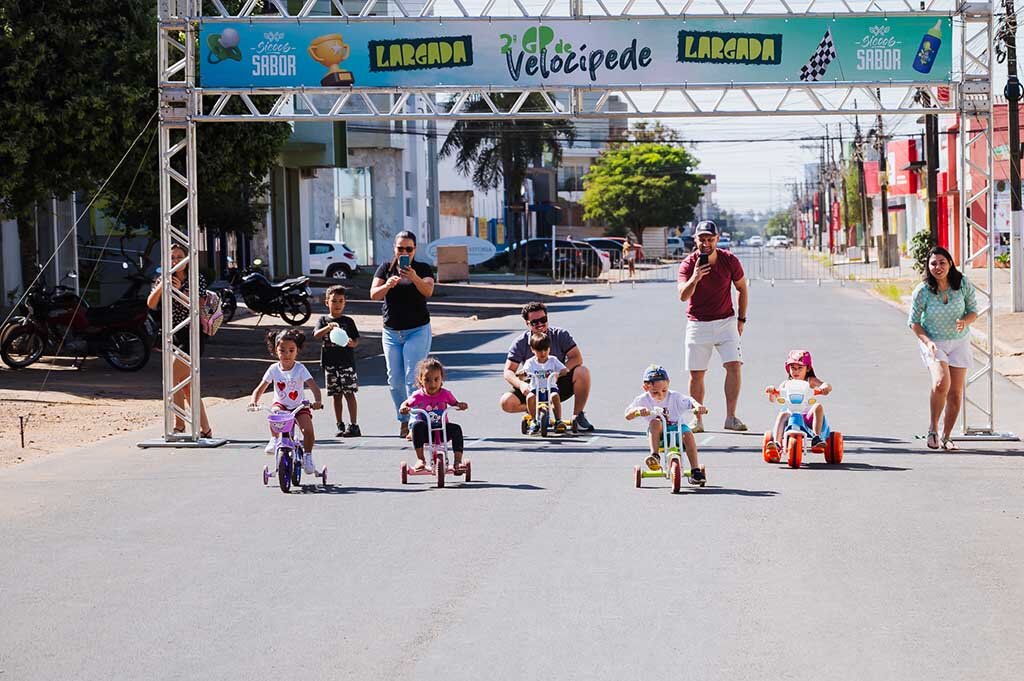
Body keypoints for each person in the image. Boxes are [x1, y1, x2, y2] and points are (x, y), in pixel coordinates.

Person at [677, 219, 748, 433]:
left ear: (717, 239)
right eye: (702, 239)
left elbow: (742, 289)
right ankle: (697, 419)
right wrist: (695, 278)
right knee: (697, 374)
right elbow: (682, 295)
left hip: (726, 321)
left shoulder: (729, 260)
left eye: (710, 239)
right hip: (698, 323)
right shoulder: (688, 264)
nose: (706, 243)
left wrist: (741, 320)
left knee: (734, 366)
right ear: (695, 240)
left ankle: (731, 417)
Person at [908, 246, 978, 451]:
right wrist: (927, 342)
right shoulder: (922, 291)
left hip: (959, 341)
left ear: (949, 264)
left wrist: (965, 321)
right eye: (933, 264)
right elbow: (913, 322)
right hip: (934, 342)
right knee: (941, 383)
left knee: (955, 393)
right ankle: (933, 428)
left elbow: (973, 310)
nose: (938, 267)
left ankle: (946, 436)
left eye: (942, 263)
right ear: (928, 267)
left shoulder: (962, 283)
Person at [370, 231, 435, 438]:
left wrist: (414, 277)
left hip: (417, 330)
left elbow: (428, 291)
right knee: (394, 379)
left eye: (409, 249)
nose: (404, 252)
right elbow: (373, 294)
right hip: (391, 332)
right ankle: (404, 419)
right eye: (400, 249)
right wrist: (387, 285)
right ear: (394, 249)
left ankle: (416, 421)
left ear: (415, 249)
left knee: (411, 377)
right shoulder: (385, 268)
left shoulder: (423, 268)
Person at [146, 243, 212, 437]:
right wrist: (163, 286)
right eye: (171, 257)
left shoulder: (196, 278)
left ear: (187, 259)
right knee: (186, 386)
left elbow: (198, 306)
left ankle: (179, 425)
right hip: (172, 334)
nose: (175, 261)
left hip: (191, 334)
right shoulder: (163, 278)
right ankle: (205, 429)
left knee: (173, 378)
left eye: (179, 257)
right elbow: (151, 304)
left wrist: (180, 291)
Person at [500, 301, 595, 432]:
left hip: (556, 382)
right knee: (506, 402)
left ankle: (577, 416)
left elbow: (576, 358)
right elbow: (508, 371)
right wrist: (521, 385)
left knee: (582, 372)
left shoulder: (560, 335)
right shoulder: (520, 343)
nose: (540, 324)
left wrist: (559, 372)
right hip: (533, 384)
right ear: (527, 324)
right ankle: (534, 411)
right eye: (534, 322)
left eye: (543, 319)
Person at [249, 329, 324, 472]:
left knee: (307, 430)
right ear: (275, 350)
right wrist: (254, 401)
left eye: (291, 350)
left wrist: (317, 401)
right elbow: (260, 388)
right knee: (275, 413)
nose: (287, 354)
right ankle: (274, 439)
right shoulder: (273, 369)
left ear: (297, 351)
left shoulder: (300, 369)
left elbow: (314, 387)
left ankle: (307, 456)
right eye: (282, 350)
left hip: (299, 406)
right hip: (281, 405)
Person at [624, 365, 707, 483]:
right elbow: (627, 414)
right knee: (655, 422)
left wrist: (698, 406)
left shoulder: (675, 397)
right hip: (659, 434)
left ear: (668, 384)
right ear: (645, 388)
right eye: (655, 392)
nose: (661, 395)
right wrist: (637, 411)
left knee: (688, 434)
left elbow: (690, 401)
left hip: (677, 428)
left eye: (664, 390)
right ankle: (655, 456)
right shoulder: (642, 400)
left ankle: (695, 470)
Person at [399, 357, 469, 471]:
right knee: (417, 426)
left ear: (442, 379)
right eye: (427, 380)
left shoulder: (445, 394)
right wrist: (404, 407)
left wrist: (460, 405)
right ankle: (420, 459)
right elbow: (407, 403)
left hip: (442, 430)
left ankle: (457, 461)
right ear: (420, 380)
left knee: (456, 429)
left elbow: (455, 403)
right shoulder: (418, 395)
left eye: (436, 379)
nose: (432, 383)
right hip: (426, 432)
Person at [763, 350, 833, 458]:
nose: (796, 372)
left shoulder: (810, 381)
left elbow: (826, 385)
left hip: (807, 416)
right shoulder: (786, 384)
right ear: (788, 369)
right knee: (782, 414)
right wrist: (772, 392)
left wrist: (825, 388)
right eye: (793, 368)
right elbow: (773, 399)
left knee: (818, 407)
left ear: (808, 368)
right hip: (791, 414)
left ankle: (816, 437)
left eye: (800, 368)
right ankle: (777, 443)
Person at [312, 284, 360, 438]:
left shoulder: (348, 321)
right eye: (334, 301)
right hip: (330, 364)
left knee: (349, 393)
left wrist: (352, 343)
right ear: (327, 302)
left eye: (340, 301)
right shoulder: (323, 320)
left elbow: (355, 340)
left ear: (345, 302)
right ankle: (340, 424)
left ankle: (354, 425)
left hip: (346, 364)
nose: (337, 304)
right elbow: (316, 335)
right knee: (336, 395)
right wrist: (328, 328)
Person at [517, 333, 569, 435]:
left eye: (546, 349)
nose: (543, 353)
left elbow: (563, 369)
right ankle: (534, 420)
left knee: (554, 396)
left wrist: (563, 371)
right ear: (533, 350)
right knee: (530, 397)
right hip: (536, 388)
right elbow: (524, 373)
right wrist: (522, 374)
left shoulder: (553, 360)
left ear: (549, 348)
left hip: (550, 387)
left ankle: (558, 420)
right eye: (539, 350)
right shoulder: (530, 362)